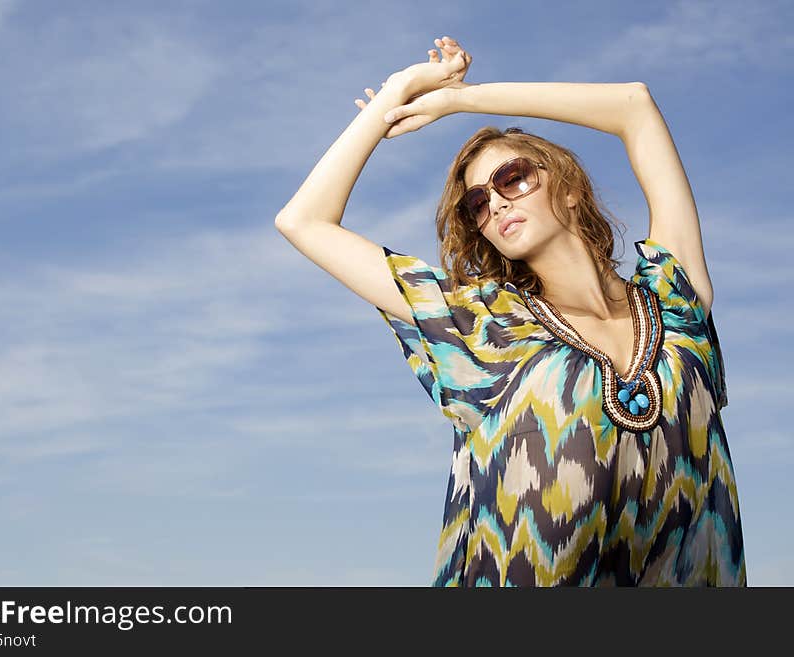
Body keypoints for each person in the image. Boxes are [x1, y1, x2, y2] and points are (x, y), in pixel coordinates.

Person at [274, 36, 746, 587]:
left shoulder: (676, 301)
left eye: (512, 178)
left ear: (568, 188)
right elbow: (303, 221)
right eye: (477, 202)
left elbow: (634, 106)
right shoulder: (482, 327)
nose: (495, 202)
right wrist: (400, 93)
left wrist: (462, 100)